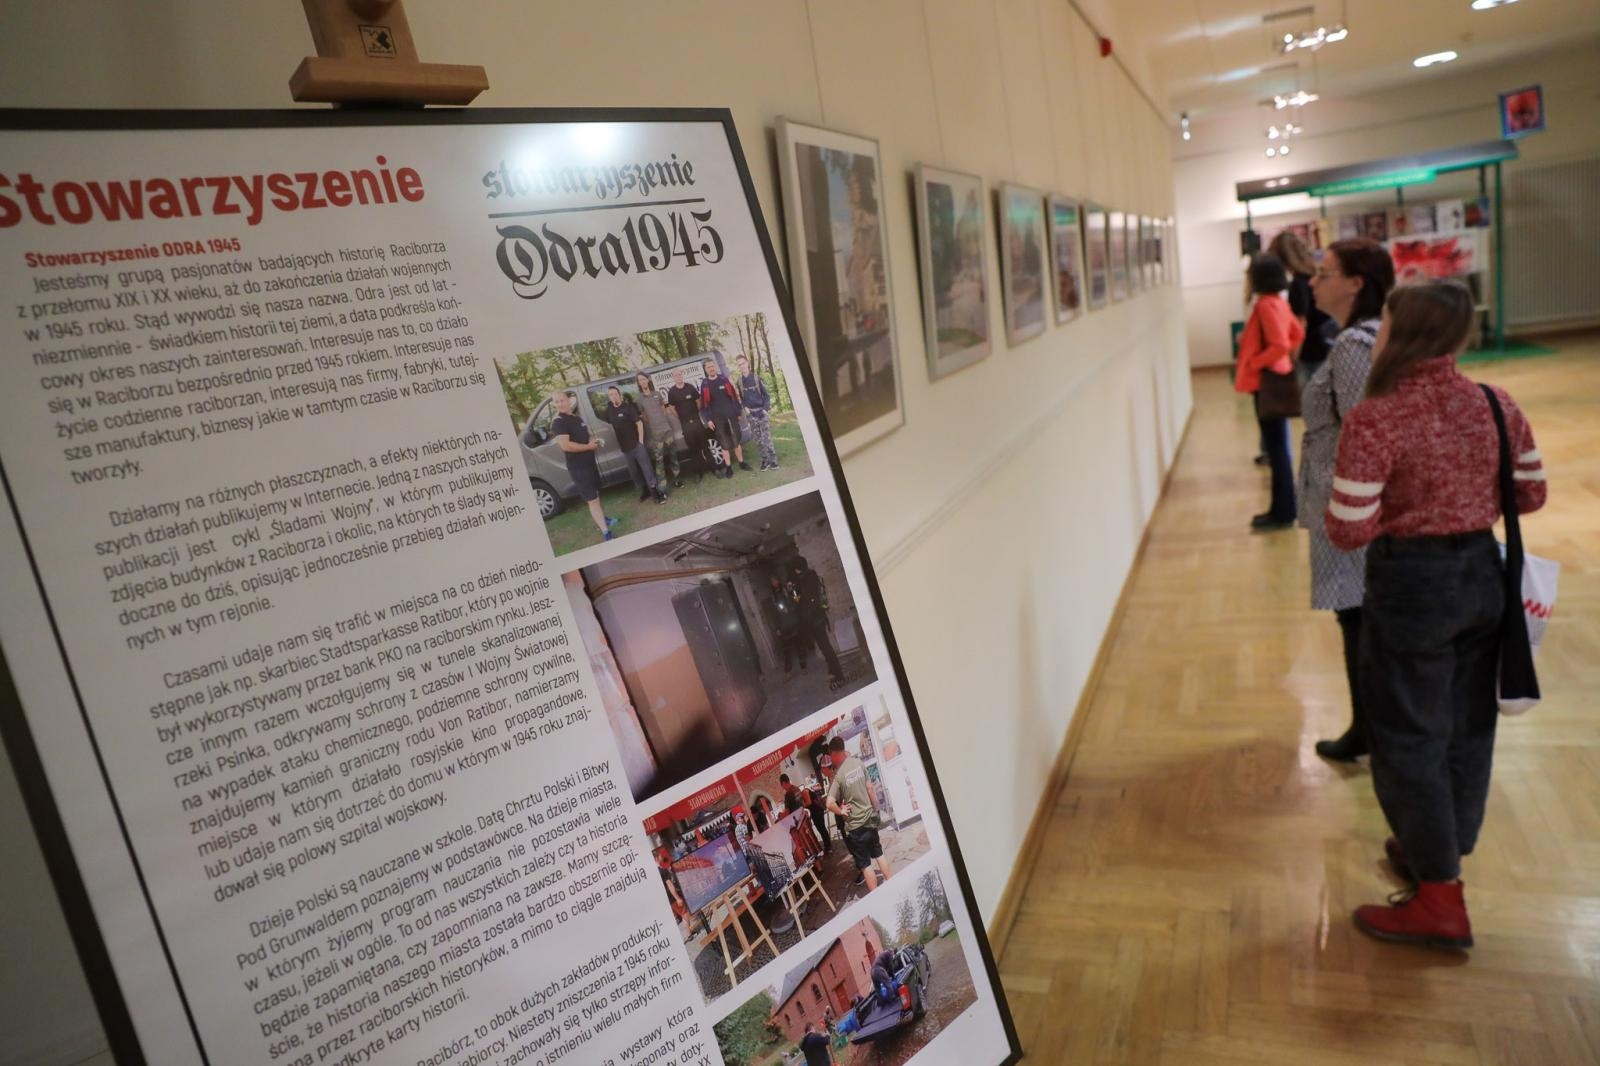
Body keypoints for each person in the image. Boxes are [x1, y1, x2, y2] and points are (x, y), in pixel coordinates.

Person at [1326, 279, 1546, 949]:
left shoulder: (1377, 417)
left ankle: (1440, 898)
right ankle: (1441, 847)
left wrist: (1407, 504)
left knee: (1407, 734)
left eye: (1385, 320)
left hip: (1412, 586)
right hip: (1483, 575)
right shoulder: (1494, 401)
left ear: (1402, 332)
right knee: (1468, 724)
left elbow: (1347, 529)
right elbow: (1531, 494)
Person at [1301, 238, 1396, 763]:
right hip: (1347, 498)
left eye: (1325, 273)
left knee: (1357, 613)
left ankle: (1371, 730)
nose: (1313, 282)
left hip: (1352, 503)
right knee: (1355, 612)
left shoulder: (1357, 345)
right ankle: (1370, 727)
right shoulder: (1357, 337)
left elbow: (1365, 430)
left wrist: (1349, 507)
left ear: (1356, 283)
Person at [1235, 253, 1304, 531]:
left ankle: (1283, 511)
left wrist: (1255, 361)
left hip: (1266, 382)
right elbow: (1296, 334)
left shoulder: (1265, 306)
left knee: (1277, 451)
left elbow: (1279, 344)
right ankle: (1282, 509)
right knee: (1278, 449)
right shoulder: (1277, 302)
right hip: (1274, 378)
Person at [544, 390, 618, 541]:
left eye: (562, 400)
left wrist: (593, 442)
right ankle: (606, 533)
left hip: (589, 463)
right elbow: (565, 446)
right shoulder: (559, 422)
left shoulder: (576, 418)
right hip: (579, 468)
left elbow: (585, 436)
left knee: (595, 495)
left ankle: (602, 520)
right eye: (556, 401)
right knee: (592, 499)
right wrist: (588, 447)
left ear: (568, 400)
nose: (560, 404)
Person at [825, 735, 891, 891]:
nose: (831, 759)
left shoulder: (838, 775)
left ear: (834, 753)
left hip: (855, 828)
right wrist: (875, 807)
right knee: (879, 854)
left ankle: (877, 896)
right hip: (869, 820)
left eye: (830, 755)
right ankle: (891, 882)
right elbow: (870, 788)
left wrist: (841, 811)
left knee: (866, 865)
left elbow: (829, 803)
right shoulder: (859, 763)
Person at [1270, 230, 1335, 374]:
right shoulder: (1314, 277)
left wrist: (1292, 360)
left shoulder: (1298, 284)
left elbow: (1301, 324)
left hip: (1310, 351)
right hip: (1325, 346)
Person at [786, 555, 846, 689]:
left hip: (814, 620)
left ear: (798, 568)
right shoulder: (811, 575)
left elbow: (797, 600)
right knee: (824, 646)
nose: (794, 571)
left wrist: (792, 590)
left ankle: (839, 675)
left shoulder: (803, 580)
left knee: (825, 647)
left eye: (795, 569)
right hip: (818, 617)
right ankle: (832, 671)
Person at [603, 385, 667, 505]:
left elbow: (639, 423)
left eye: (615, 394)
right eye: (611, 395)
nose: (613, 396)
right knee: (634, 473)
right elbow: (607, 422)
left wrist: (640, 441)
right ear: (609, 397)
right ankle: (645, 491)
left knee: (647, 469)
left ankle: (655, 492)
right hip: (625, 448)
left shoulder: (628, 408)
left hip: (637, 445)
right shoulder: (609, 411)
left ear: (619, 395)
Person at [699, 357, 748, 477]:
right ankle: (729, 467)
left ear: (715, 367)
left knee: (736, 441)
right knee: (724, 444)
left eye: (712, 366)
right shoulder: (705, 384)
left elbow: (734, 396)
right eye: (708, 367)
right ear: (705, 369)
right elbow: (703, 405)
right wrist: (708, 420)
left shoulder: (723, 379)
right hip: (718, 420)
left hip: (731, 416)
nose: (711, 368)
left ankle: (741, 463)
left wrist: (737, 412)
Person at [635, 371, 682, 489]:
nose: (642, 382)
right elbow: (644, 416)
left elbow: (663, 409)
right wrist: (653, 423)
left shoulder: (657, 394)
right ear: (639, 383)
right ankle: (662, 487)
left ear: (647, 380)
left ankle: (677, 480)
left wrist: (661, 420)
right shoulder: (639, 400)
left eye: (644, 379)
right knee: (659, 461)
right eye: (640, 380)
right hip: (656, 435)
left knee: (673, 456)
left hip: (667, 430)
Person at [665, 367, 711, 482]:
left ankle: (715, 468)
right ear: (673, 378)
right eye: (676, 375)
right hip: (685, 425)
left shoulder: (690, 387)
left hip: (697, 421)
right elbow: (671, 408)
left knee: (705, 446)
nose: (678, 377)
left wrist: (694, 413)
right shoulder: (672, 392)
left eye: (680, 374)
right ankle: (699, 473)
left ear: (682, 375)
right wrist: (681, 417)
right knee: (693, 450)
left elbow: (698, 401)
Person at [734, 354, 779, 470]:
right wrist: (745, 408)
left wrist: (765, 410)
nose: (742, 366)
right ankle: (765, 461)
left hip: (761, 412)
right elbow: (740, 399)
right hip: (751, 415)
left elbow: (766, 396)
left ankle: (773, 461)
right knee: (758, 440)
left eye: (743, 363)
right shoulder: (739, 382)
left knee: (766, 438)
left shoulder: (756, 378)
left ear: (747, 363)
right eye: (739, 365)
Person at [768, 575, 805, 680]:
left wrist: (789, 609)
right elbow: (774, 614)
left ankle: (803, 666)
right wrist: (777, 628)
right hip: (783, 627)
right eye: (772, 581)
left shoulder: (786, 589)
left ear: (778, 580)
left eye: (775, 580)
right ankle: (788, 671)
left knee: (799, 646)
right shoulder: (773, 596)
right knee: (786, 650)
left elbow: (796, 600)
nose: (774, 582)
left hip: (793, 622)